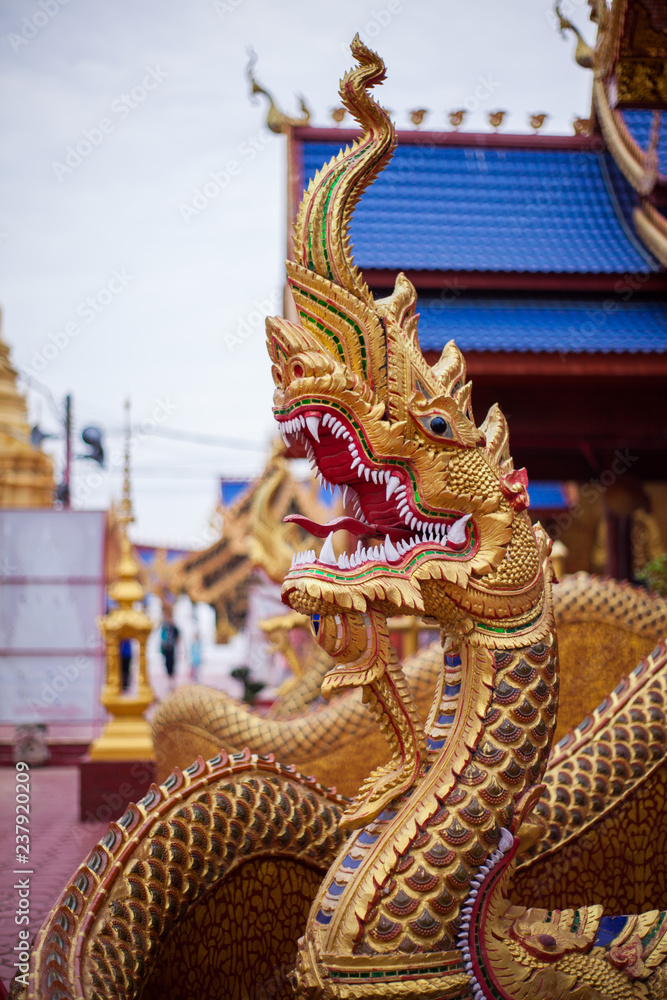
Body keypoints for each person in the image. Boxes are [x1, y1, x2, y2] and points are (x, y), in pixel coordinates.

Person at [160, 617, 180, 681]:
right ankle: (169, 675)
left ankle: (172, 675)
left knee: (172, 662)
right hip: (166, 648)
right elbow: (162, 638)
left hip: (171, 648)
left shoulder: (174, 629)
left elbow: (177, 637)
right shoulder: (165, 628)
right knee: (167, 662)